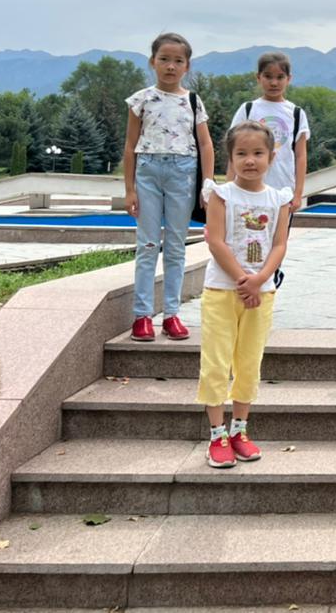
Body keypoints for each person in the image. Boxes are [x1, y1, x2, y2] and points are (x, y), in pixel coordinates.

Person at [197, 120, 292, 468]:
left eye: (258, 153)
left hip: (261, 294)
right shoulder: (222, 195)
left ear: (271, 156)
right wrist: (243, 279)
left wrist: (260, 280)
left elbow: (279, 244)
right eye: (241, 153)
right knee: (216, 363)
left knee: (249, 363)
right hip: (222, 291)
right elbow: (216, 241)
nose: (250, 160)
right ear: (231, 157)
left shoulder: (278, 200)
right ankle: (217, 434)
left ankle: (240, 430)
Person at [123, 32, 215, 342]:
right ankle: (142, 316)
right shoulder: (141, 99)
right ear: (153, 62)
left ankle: (172, 315)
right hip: (148, 171)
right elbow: (130, 145)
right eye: (164, 59)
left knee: (175, 246)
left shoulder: (193, 101)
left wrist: (207, 184)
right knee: (147, 245)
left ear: (187, 66)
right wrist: (129, 189)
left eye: (178, 61)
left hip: (183, 173)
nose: (170, 66)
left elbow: (206, 144)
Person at [228, 51, 310, 213]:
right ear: (258, 77)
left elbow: (301, 156)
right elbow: (232, 151)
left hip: (282, 189)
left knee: (279, 230)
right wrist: (228, 188)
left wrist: (298, 193)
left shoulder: (296, 113)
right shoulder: (248, 109)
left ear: (289, 79)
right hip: (247, 189)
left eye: (280, 77)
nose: (274, 83)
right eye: (268, 76)